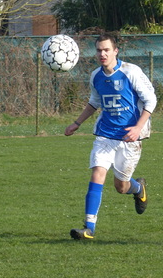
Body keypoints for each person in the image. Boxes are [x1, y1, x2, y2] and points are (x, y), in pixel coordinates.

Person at [65, 33, 157, 240]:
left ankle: (138, 187)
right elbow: (94, 102)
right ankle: (89, 228)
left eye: (106, 50)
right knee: (98, 173)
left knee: (120, 186)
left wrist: (137, 128)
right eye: (99, 50)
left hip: (129, 138)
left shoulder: (130, 71)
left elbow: (151, 101)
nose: (102, 54)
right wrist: (77, 123)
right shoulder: (96, 76)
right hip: (105, 135)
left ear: (116, 51)